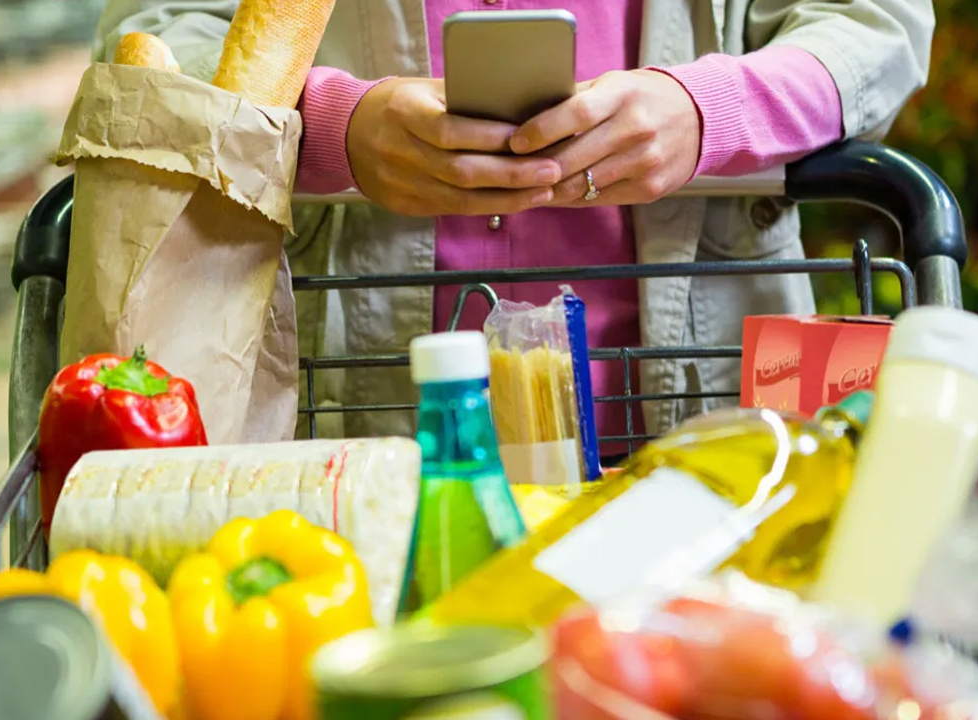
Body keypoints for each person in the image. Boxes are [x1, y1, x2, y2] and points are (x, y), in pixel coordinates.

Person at [94, 0, 933, 455]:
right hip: (355, 400)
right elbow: (157, 29)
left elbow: (877, 23)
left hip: (701, 403)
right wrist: (329, 127)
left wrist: (708, 111)